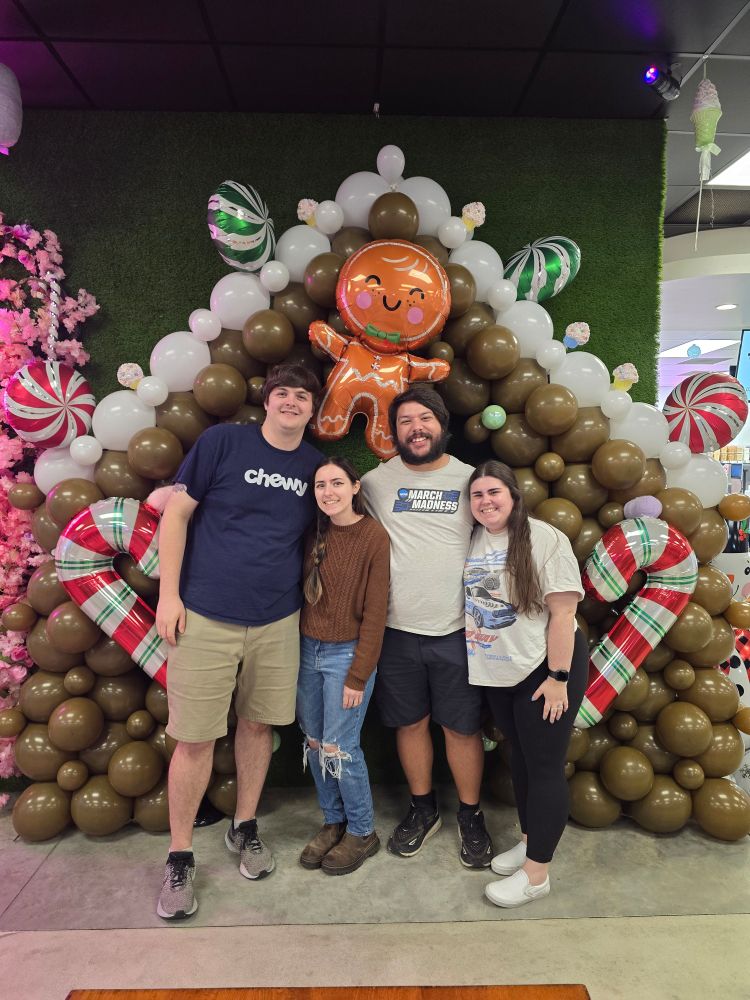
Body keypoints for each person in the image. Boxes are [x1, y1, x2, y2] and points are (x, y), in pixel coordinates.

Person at [154, 362, 323, 920]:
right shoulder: (223, 442)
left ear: (313, 408)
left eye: (302, 396)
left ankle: (243, 826)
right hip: (203, 615)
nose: (291, 403)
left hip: (278, 622)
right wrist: (168, 596)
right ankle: (180, 855)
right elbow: (174, 515)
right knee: (195, 740)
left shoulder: (315, 468)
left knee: (259, 727)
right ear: (267, 401)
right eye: (283, 394)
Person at [361, 385, 494, 869]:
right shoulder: (373, 482)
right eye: (404, 421)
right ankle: (423, 809)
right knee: (409, 723)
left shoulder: (469, 479)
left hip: (459, 632)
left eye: (425, 419)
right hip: (395, 632)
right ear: (393, 432)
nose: (415, 428)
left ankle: (471, 815)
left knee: (461, 729)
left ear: (442, 425)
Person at [464, 460, 586, 908]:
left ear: (513, 495)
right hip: (499, 671)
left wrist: (558, 678)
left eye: (493, 492)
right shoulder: (475, 538)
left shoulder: (544, 537)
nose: (485, 501)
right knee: (519, 761)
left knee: (545, 765)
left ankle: (538, 874)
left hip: (543, 668)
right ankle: (531, 840)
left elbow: (564, 613)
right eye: (477, 495)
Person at [296, 456, 390, 875]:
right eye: (320, 485)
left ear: (355, 487)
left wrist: (359, 673)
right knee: (315, 742)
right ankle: (333, 821)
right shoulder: (313, 533)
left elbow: (375, 612)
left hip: (346, 655)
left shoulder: (373, 537)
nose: (328, 492)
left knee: (341, 747)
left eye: (336, 483)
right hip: (306, 651)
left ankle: (362, 830)